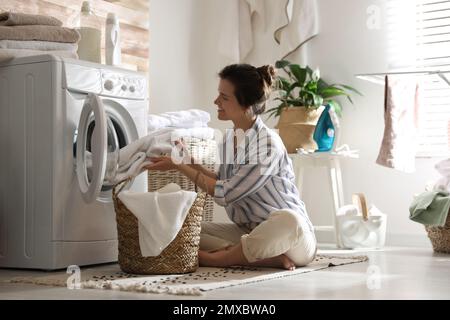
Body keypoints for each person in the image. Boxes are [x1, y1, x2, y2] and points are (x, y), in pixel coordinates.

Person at [146, 63, 317, 270]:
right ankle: (261, 257)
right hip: (249, 232)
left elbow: (225, 193)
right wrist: (186, 160)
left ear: (246, 105)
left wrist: (181, 166)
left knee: (290, 221)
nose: (216, 101)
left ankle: (218, 258)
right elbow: (222, 181)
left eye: (224, 98)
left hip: (292, 237)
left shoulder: (268, 144)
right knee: (183, 228)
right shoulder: (229, 139)